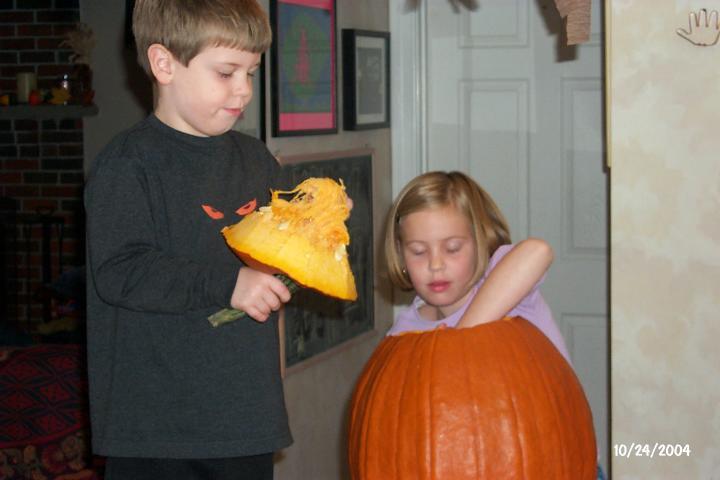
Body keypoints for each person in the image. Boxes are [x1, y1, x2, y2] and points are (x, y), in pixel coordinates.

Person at [84, 1, 292, 478]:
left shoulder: (257, 160)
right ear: (164, 64)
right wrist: (227, 284)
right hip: (158, 430)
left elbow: (278, 269)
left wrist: (316, 229)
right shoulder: (127, 165)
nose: (244, 89)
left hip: (245, 419)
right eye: (226, 72)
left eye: (250, 73)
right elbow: (121, 271)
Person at [383, 171, 570, 361]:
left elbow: (537, 251)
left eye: (453, 248)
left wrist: (459, 339)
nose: (435, 265)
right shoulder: (403, 333)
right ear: (400, 253)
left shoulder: (503, 287)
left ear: (480, 242)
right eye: (419, 251)